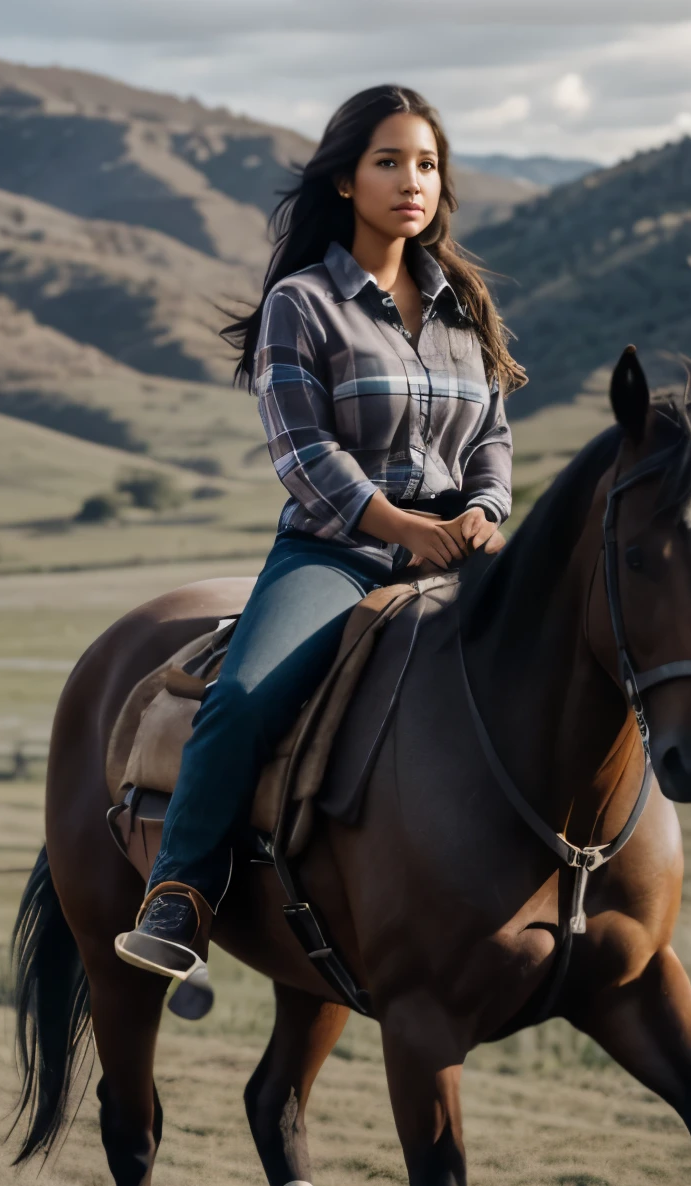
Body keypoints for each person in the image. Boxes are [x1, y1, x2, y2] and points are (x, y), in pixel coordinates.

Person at [115, 82, 526, 994]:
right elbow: (305, 454)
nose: (411, 180)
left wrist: (485, 511)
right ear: (344, 180)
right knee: (247, 699)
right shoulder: (301, 305)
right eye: (389, 162)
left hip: (461, 553)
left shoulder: (464, 305)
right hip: (337, 554)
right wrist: (402, 528)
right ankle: (182, 887)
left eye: (426, 164)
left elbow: (493, 436)